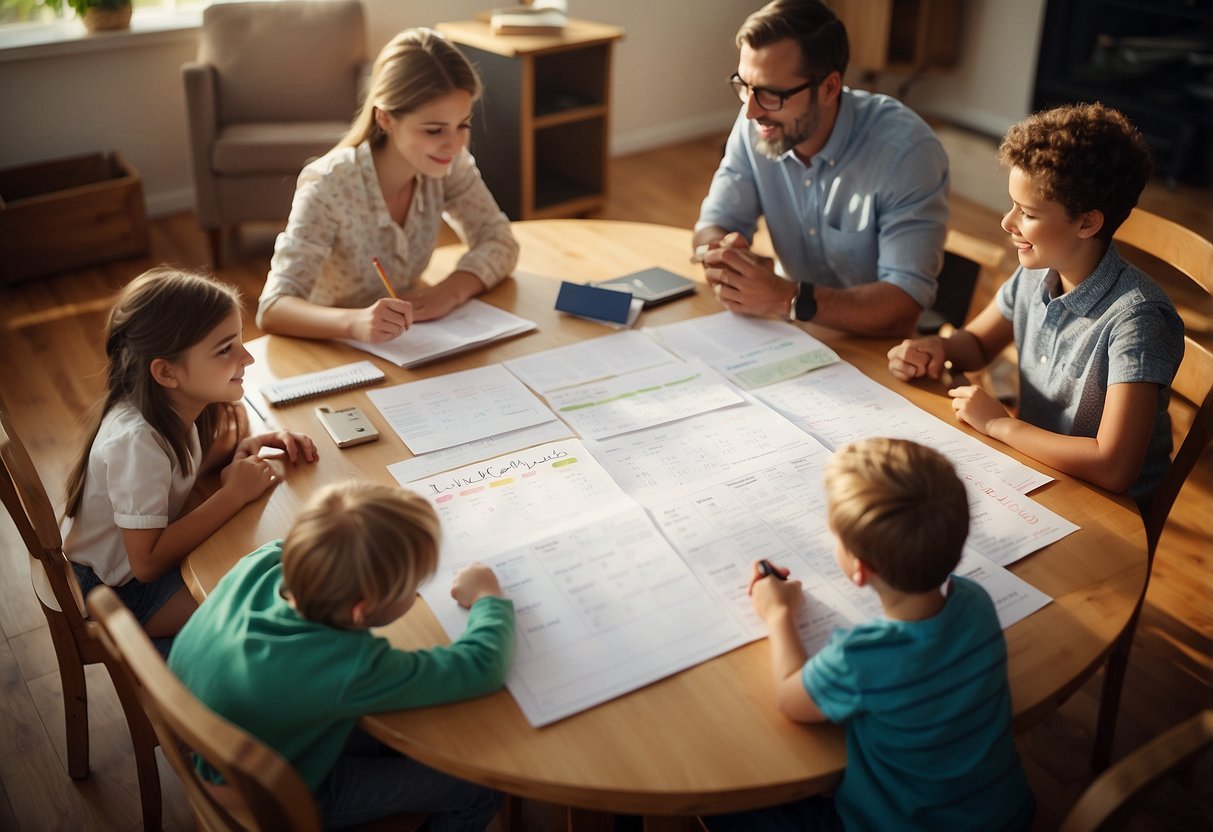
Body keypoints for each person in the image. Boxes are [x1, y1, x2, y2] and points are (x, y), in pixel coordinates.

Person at [707, 438, 1034, 831]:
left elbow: (790, 700)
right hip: (1006, 820)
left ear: (859, 570)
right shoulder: (976, 603)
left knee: (725, 798)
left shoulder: (862, 658)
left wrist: (777, 613)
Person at [169, 480, 515, 830]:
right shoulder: (350, 665)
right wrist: (488, 598)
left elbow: (341, 542)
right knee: (481, 789)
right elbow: (481, 667)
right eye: (411, 587)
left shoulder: (264, 561)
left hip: (208, 743)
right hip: (275, 796)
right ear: (361, 611)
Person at [887, 103, 1184, 504]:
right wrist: (936, 349)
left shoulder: (1138, 319)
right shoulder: (1035, 271)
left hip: (1106, 507)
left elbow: (1113, 467)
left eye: (1026, 213)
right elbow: (976, 345)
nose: (1007, 223)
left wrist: (998, 425)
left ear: (1087, 223)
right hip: (1034, 471)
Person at [61, 267, 318, 650]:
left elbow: (178, 472)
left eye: (240, 341)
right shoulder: (138, 442)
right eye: (225, 349)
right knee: (271, 610)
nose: (247, 358)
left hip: (132, 574)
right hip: (120, 594)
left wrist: (242, 449)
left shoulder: (174, 406)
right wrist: (232, 495)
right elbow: (145, 563)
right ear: (167, 372)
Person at [694, 0, 949, 337]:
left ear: (829, 87)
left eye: (772, 94)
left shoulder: (906, 154)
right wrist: (725, 259)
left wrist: (787, 297)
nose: (752, 111)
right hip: (794, 328)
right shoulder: (757, 122)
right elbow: (713, 225)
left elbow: (903, 303)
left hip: (876, 346)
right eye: (744, 86)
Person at [257, 28, 520, 344]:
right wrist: (354, 323)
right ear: (385, 119)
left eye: (462, 125)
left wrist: (450, 291)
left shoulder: (450, 165)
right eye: (435, 130)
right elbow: (273, 308)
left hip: (408, 343)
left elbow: (500, 240)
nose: (453, 144)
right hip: (330, 349)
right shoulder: (328, 186)